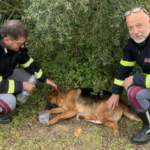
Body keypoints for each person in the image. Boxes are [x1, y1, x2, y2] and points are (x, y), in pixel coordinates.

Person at [0, 20, 57, 124]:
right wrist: (21, 85)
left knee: (33, 77)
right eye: (20, 44)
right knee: (10, 101)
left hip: (3, 77)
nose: (22, 46)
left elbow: (27, 62)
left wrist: (45, 79)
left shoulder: (16, 47)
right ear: (7, 40)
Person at [107, 7, 150, 145]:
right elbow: (123, 69)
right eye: (131, 28)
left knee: (134, 85)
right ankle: (149, 126)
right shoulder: (132, 44)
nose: (135, 32)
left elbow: (131, 77)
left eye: (139, 25)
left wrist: (135, 78)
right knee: (133, 92)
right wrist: (115, 93)